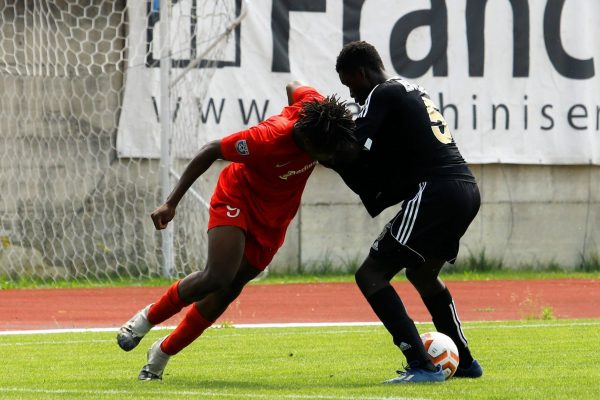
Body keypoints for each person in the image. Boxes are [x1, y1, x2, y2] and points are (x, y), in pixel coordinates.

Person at [116, 81, 354, 380]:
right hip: (238, 196)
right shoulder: (267, 137)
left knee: (229, 290)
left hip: (274, 217)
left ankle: (161, 353)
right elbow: (210, 150)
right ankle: (144, 321)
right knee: (218, 275)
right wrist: (171, 203)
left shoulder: (319, 112)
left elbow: (293, 85)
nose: (328, 159)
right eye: (324, 154)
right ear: (306, 139)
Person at [296, 41, 483, 383]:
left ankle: (421, 366)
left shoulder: (381, 93)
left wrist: (317, 147)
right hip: (466, 189)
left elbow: (353, 149)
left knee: (370, 275)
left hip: (437, 191)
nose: (351, 93)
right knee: (423, 275)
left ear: (361, 73)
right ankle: (466, 362)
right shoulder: (409, 88)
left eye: (349, 83)